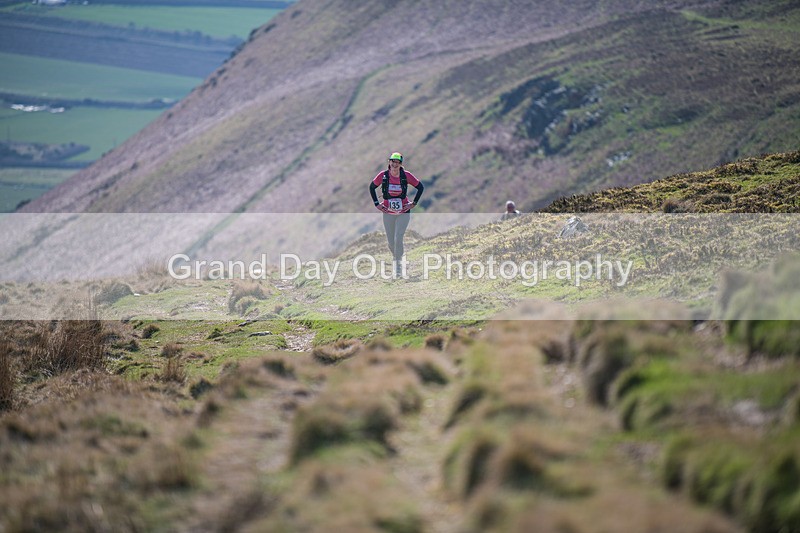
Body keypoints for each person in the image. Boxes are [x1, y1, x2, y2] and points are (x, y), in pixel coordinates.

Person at [369, 152, 424, 278]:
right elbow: (371, 187)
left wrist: (413, 203)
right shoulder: (383, 176)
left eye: (397, 162)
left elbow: (420, 187)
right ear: (389, 162)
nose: (394, 164)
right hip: (388, 212)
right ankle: (398, 257)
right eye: (392, 161)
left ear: (400, 164)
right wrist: (377, 204)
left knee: (398, 238)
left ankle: (398, 268)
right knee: (390, 242)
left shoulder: (406, 176)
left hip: (404, 212)